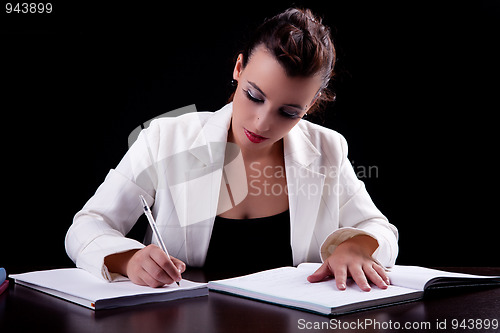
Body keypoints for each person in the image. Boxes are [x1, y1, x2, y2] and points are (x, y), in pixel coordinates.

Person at [65, 8, 398, 292]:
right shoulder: (166, 138)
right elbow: (88, 224)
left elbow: (379, 228)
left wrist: (357, 246)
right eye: (254, 95)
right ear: (238, 69)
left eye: (289, 112)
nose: (262, 122)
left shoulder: (328, 149)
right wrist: (127, 259)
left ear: (310, 105)